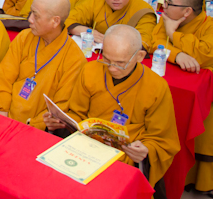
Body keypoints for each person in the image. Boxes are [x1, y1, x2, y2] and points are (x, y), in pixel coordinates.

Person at [44, 25, 180, 197]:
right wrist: (59, 121)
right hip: (86, 146)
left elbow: (161, 138)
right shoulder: (90, 70)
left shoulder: (156, 87)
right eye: (106, 60)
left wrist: (145, 149)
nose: (112, 68)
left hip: (125, 155)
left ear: (139, 56)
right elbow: (77, 113)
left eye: (120, 63)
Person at [0, 0, 86, 129]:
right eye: (31, 13)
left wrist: (33, 124)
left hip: (34, 128)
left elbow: (59, 106)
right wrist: (2, 110)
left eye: (36, 15)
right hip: (3, 115)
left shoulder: (75, 59)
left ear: (55, 21)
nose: (30, 19)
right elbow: (4, 78)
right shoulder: (24, 38)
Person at [150, 0, 213, 194]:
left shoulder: (209, 26)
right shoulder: (167, 17)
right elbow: (154, 42)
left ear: (187, 11)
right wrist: (177, 55)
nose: (164, 6)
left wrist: (172, 33)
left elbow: (203, 54)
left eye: (170, 3)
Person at [67, 0, 156, 48]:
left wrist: (110, 43)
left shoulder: (143, 11)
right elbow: (67, 19)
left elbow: (143, 43)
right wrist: (85, 31)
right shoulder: (97, 1)